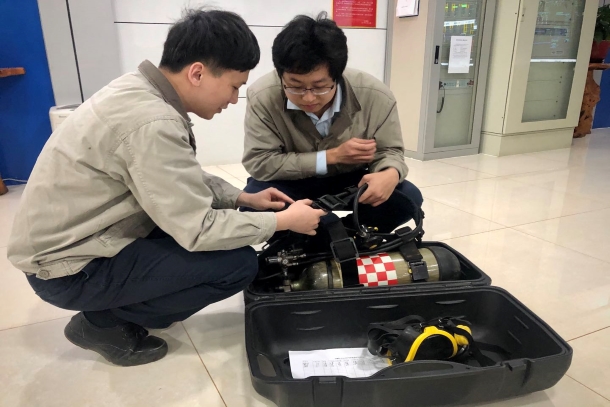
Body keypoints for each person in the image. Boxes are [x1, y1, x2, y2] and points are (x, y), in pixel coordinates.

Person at [7, 9, 325, 367]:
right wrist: (283, 222)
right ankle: (102, 323)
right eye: (234, 86)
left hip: (74, 243)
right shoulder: (152, 121)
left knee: (218, 233)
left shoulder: (138, 90)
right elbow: (198, 229)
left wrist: (242, 197)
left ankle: (125, 301)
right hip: (69, 269)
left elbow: (174, 175)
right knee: (236, 265)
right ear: (197, 73)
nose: (234, 99)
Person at [241, 13, 422, 233]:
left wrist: (389, 173)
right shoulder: (263, 97)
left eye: (320, 87)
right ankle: (324, 238)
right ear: (281, 76)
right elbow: (260, 162)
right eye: (295, 86)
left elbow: (390, 150)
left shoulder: (375, 95)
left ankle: (345, 235)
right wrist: (331, 156)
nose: (308, 98)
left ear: (338, 76)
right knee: (255, 202)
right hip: (290, 181)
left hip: (351, 181)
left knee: (408, 197)